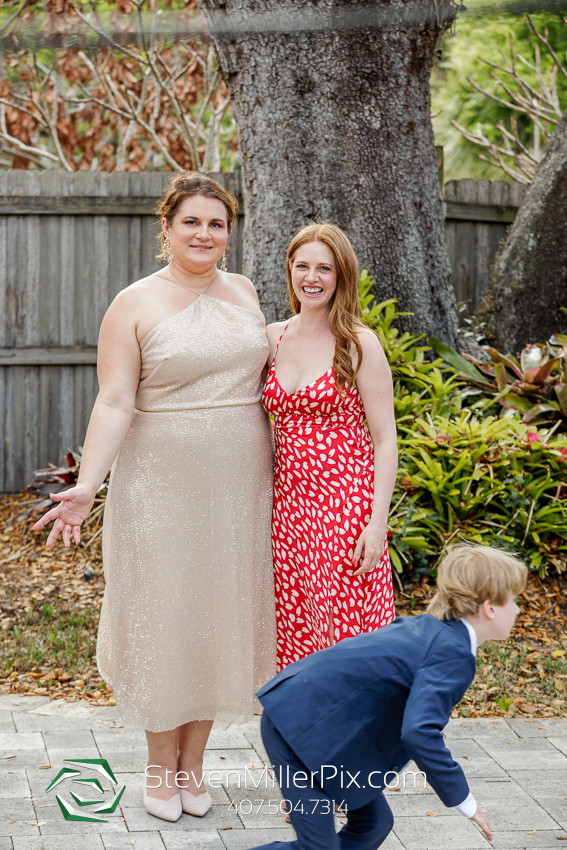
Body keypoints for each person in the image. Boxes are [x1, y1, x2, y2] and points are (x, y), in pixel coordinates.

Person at [33, 172, 276, 822]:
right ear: (165, 227)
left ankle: (193, 768)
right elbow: (115, 400)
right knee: (167, 618)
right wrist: (87, 485)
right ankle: (157, 770)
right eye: (191, 221)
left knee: (218, 617)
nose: (204, 234)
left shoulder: (246, 292)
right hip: (161, 483)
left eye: (216, 223)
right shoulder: (134, 303)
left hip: (239, 486)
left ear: (228, 233)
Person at [247, 543, 527, 850]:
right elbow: (419, 732)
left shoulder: (433, 632)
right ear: (490, 607)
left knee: (374, 823)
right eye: (514, 601)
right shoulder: (454, 654)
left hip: (314, 724)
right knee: (319, 848)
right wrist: (464, 799)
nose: (517, 609)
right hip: (296, 726)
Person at [262, 223, 397, 671]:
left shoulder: (359, 343)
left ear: (341, 275)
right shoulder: (272, 337)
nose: (312, 277)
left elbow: (385, 440)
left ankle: (361, 738)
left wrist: (376, 526)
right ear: (290, 271)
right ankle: (304, 738)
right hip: (289, 514)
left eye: (324, 267)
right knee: (295, 635)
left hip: (344, 512)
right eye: (303, 266)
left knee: (347, 640)